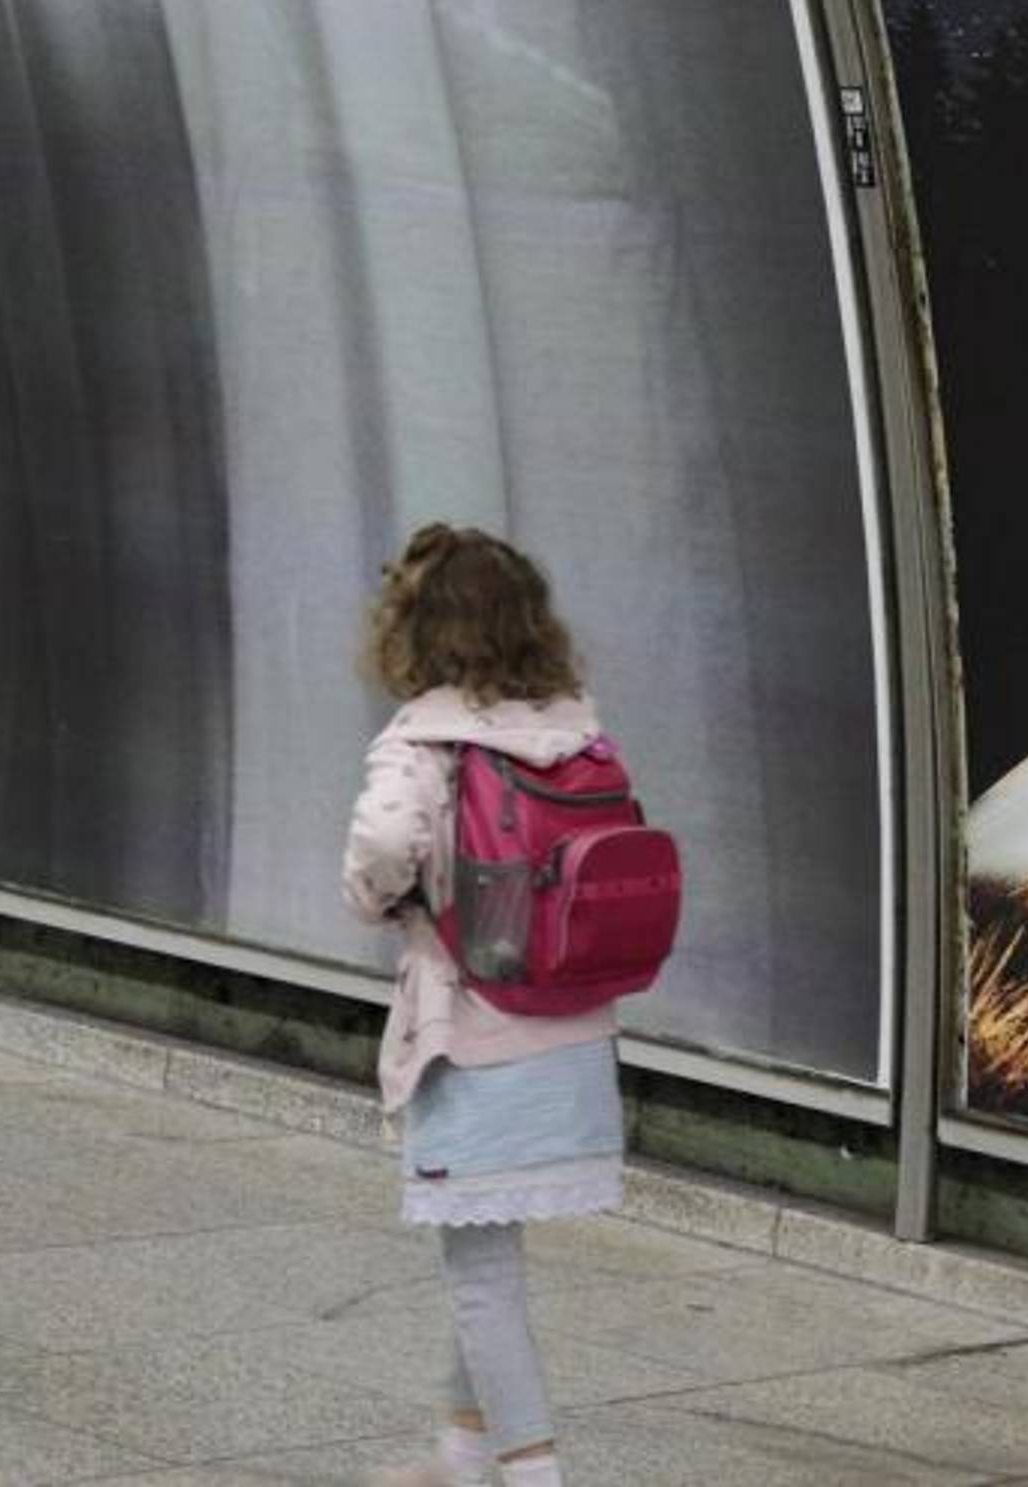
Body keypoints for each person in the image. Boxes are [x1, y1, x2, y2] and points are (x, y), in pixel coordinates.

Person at [341, 525, 624, 1487]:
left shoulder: (425, 741)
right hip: (574, 1033)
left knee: (481, 1280)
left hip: (471, 1038)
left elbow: (382, 848)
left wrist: (378, 897)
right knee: (486, 1247)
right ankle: (461, 1461)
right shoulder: (576, 727)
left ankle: (535, 1479)